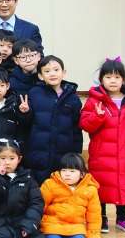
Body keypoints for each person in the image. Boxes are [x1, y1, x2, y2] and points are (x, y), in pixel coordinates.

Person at [80, 58, 125, 234]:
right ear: (101, 80)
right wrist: (97, 116)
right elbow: (85, 124)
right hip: (102, 154)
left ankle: (122, 216)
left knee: (123, 184)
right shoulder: (95, 100)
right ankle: (101, 216)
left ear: (123, 80)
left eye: (117, 77)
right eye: (108, 77)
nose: (113, 80)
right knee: (101, 184)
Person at [25, 55, 83, 184]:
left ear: (64, 72)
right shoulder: (34, 93)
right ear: (40, 76)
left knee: (60, 186)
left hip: (63, 151)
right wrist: (25, 113)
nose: (52, 74)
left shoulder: (72, 97)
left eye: (56, 70)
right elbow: (26, 124)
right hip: (38, 150)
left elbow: (76, 126)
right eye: (47, 71)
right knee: (39, 185)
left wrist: (77, 151)